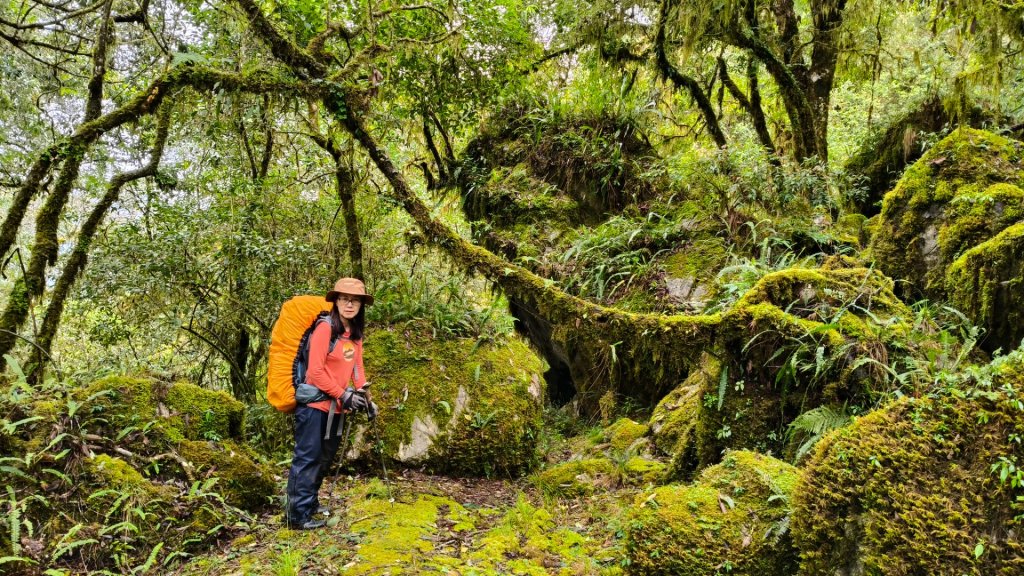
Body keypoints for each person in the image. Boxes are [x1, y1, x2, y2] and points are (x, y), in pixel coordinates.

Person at [285, 277, 374, 530]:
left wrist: (367, 399)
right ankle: (296, 516)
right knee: (307, 457)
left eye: (355, 300)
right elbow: (315, 372)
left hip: (337, 409)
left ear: (360, 305)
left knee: (324, 458)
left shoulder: (354, 335)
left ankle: (310, 504)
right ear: (336, 300)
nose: (350, 304)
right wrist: (343, 394)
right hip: (314, 407)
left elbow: (357, 369)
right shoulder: (325, 328)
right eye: (345, 299)